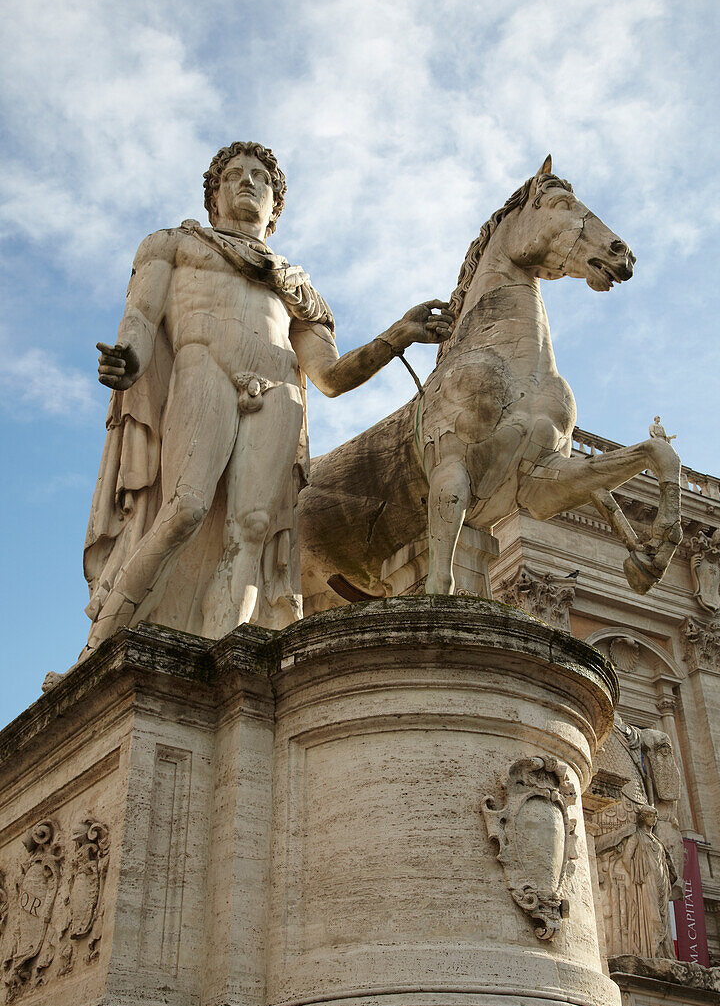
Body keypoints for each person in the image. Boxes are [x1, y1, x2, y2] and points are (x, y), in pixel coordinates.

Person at [83, 141, 453, 655]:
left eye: (260, 177)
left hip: (279, 390)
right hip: (203, 366)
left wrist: (398, 335)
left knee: (252, 531)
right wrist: (128, 358)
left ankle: (225, 660)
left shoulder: (297, 288)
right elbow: (142, 317)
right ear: (213, 197)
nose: (248, 182)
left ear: (275, 205)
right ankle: (101, 644)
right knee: (185, 508)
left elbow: (329, 377)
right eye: (233, 175)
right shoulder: (174, 244)